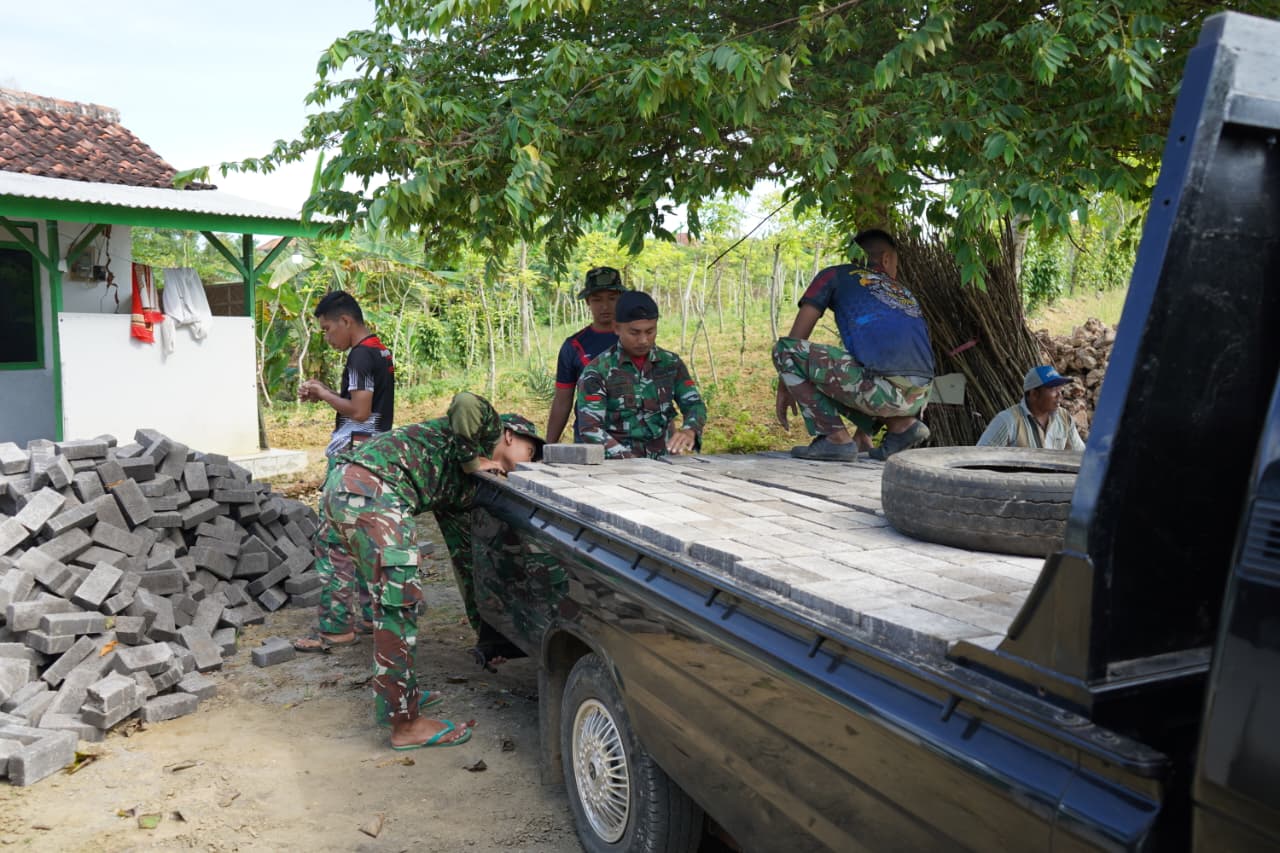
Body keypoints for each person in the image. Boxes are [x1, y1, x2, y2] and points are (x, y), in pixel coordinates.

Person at [293, 392, 545, 750]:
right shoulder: (482, 432)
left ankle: (400, 697)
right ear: (509, 435)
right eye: (530, 452)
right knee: (399, 605)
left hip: (350, 489)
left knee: (393, 604)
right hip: (371, 488)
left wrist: (490, 636)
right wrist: (473, 460)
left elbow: (467, 562)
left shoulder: (463, 490)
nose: (528, 463)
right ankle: (405, 724)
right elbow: (465, 403)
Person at [773, 228, 934, 462]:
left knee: (785, 351)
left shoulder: (834, 276)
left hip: (884, 393)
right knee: (855, 367)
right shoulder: (903, 292)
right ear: (886, 260)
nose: (894, 272)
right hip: (920, 398)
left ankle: (835, 439)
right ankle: (902, 427)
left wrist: (785, 384)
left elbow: (796, 341)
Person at [576, 291, 707, 459]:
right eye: (634, 333)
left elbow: (694, 404)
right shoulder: (598, 371)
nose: (644, 340)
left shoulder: (670, 364)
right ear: (616, 328)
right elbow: (590, 428)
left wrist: (690, 430)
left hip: (665, 464)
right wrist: (629, 460)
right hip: (616, 469)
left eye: (650, 331)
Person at [299, 291, 396, 462]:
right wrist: (324, 390)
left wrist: (324, 394)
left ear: (345, 321)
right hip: (376, 445)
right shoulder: (378, 349)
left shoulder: (360, 356)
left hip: (356, 449)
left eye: (327, 329)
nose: (327, 338)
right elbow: (363, 404)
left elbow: (360, 412)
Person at [546, 266, 626, 444]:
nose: (605, 306)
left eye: (612, 299)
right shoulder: (574, 346)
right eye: (597, 300)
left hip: (634, 444)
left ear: (621, 299)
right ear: (588, 302)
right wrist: (548, 446)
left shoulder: (636, 339)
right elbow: (562, 401)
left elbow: (658, 395)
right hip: (589, 444)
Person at [977, 365, 1086, 451]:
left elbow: (1080, 454)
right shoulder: (1008, 421)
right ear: (1034, 394)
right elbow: (980, 459)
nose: (1060, 394)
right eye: (1053, 389)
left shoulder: (1064, 418)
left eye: (1060, 389)